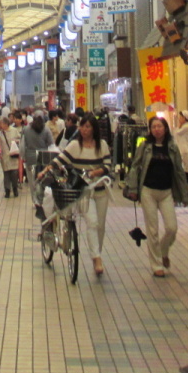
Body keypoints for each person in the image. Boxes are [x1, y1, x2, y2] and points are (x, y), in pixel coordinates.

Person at [43, 114, 111, 275]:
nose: (84, 130)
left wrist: (96, 172)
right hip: (83, 192)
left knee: (100, 226)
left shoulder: (102, 145)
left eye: (88, 126)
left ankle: (97, 253)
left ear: (94, 129)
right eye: (82, 126)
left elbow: (108, 165)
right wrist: (45, 170)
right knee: (92, 222)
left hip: (100, 190)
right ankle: (96, 258)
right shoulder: (74, 145)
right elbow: (59, 160)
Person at [124, 116, 188, 276]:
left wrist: (184, 194)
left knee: (171, 228)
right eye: (153, 127)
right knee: (152, 230)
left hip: (167, 192)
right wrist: (133, 188)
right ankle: (156, 265)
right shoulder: (145, 146)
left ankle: (163, 250)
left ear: (165, 128)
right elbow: (135, 166)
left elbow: (179, 172)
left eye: (159, 126)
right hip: (148, 191)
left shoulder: (172, 146)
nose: (157, 129)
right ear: (150, 130)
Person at [21, 114, 55, 220]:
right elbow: (51, 144)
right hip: (44, 158)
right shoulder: (46, 129)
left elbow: (22, 145)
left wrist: (23, 156)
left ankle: (35, 201)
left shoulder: (26, 129)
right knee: (42, 180)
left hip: (30, 158)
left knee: (32, 181)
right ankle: (41, 199)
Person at [0, 117, 20, 198]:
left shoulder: (14, 130)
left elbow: (20, 139)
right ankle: (7, 191)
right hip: (4, 156)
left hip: (13, 155)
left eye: (1, 123)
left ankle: (15, 188)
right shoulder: (0, 134)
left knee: (14, 173)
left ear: (6, 124)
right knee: (6, 174)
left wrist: (16, 143)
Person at [175, 110, 188, 186]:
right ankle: (187, 184)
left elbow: (177, 132)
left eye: (181, 117)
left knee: (186, 167)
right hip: (183, 149)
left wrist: (179, 125)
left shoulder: (187, 126)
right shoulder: (185, 126)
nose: (179, 118)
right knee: (184, 167)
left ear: (185, 118)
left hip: (185, 149)